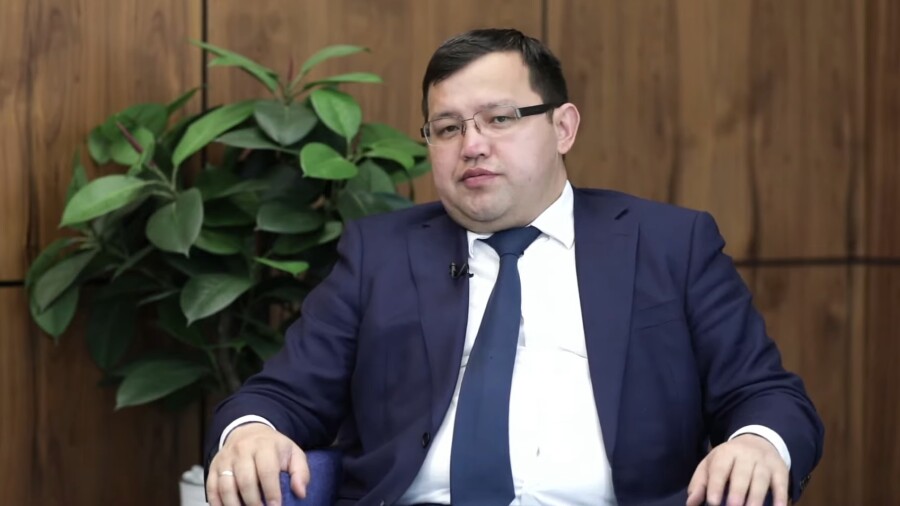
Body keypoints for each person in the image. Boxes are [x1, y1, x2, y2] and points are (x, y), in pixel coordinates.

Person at [204, 28, 823, 506]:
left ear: (563, 127)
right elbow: (280, 395)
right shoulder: (380, 254)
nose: (472, 145)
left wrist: (756, 442)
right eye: (447, 128)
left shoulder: (670, 244)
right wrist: (251, 431)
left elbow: (767, 395)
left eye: (500, 119)